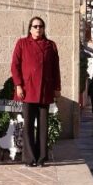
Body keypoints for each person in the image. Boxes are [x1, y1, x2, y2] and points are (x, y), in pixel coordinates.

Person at [11, 16, 60, 167]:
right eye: (35, 26)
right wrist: (18, 85)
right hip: (28, 90)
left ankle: (41, 158)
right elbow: (15, 65)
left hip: (45, 90)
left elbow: (55, 69)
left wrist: (57, 88)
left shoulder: (50, 45)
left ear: (44, 28)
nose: (38, 29)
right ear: (30, 29)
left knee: (43, 126)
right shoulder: (22, 43)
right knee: (28, 126)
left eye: (40, 26)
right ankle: (29, 158)